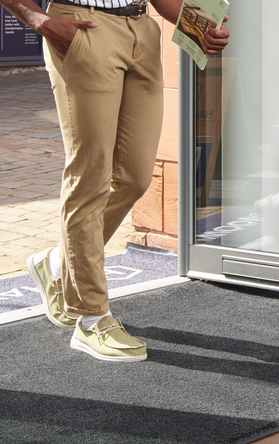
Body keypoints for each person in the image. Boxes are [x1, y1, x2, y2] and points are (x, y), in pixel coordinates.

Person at [0, 0, 229, 361]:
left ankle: (59, 263)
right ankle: (92, 320)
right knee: (89, 176)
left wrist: (196, 25)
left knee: (135, 177)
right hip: (82, 27)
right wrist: (41, 22)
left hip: (141, 29)